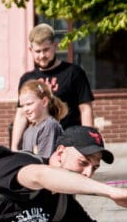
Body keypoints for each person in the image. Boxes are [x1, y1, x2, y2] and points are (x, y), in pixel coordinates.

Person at [10, 23, 95, 156]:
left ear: (55, 46)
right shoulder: (27, 79)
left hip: (70, 144)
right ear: (30, 50)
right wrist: (14, 148)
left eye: (46, 50)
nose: (42, 55)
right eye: (38, 51)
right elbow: (21, 115)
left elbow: (85, 109)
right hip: (40, 146)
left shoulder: (73, 73)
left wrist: (87, 143)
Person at [17, 79, 67, 159]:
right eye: (22, 106)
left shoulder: (49, 126)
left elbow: (44, 161)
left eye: (29, 104)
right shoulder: (28, 131)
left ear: (44, 102)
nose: (25, 109)